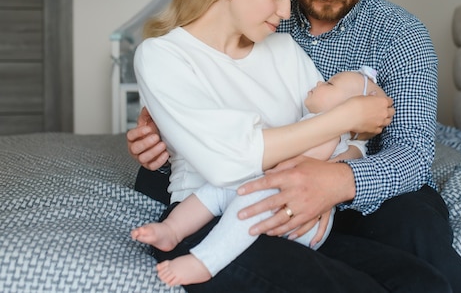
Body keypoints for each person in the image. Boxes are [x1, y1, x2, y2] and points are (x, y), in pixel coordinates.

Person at [128, 0, 461, 292]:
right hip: (246, 184)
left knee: (422, 244)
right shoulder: (271, 18)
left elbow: (413, 154)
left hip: (363, 180)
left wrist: (335, 181)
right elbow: (224, 140)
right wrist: (167, 137)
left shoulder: (399, 35)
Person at [131, 68, 383, 287]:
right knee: (216, 190)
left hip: (297, 211)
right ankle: (172, 229)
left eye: (328, 84)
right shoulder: (322, 126)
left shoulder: (331, 134)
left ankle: (205, 261)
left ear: (348, 110)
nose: (318, 83)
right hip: (274, 188)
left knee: (248, 207)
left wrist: (254, 149)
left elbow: (292, 159)